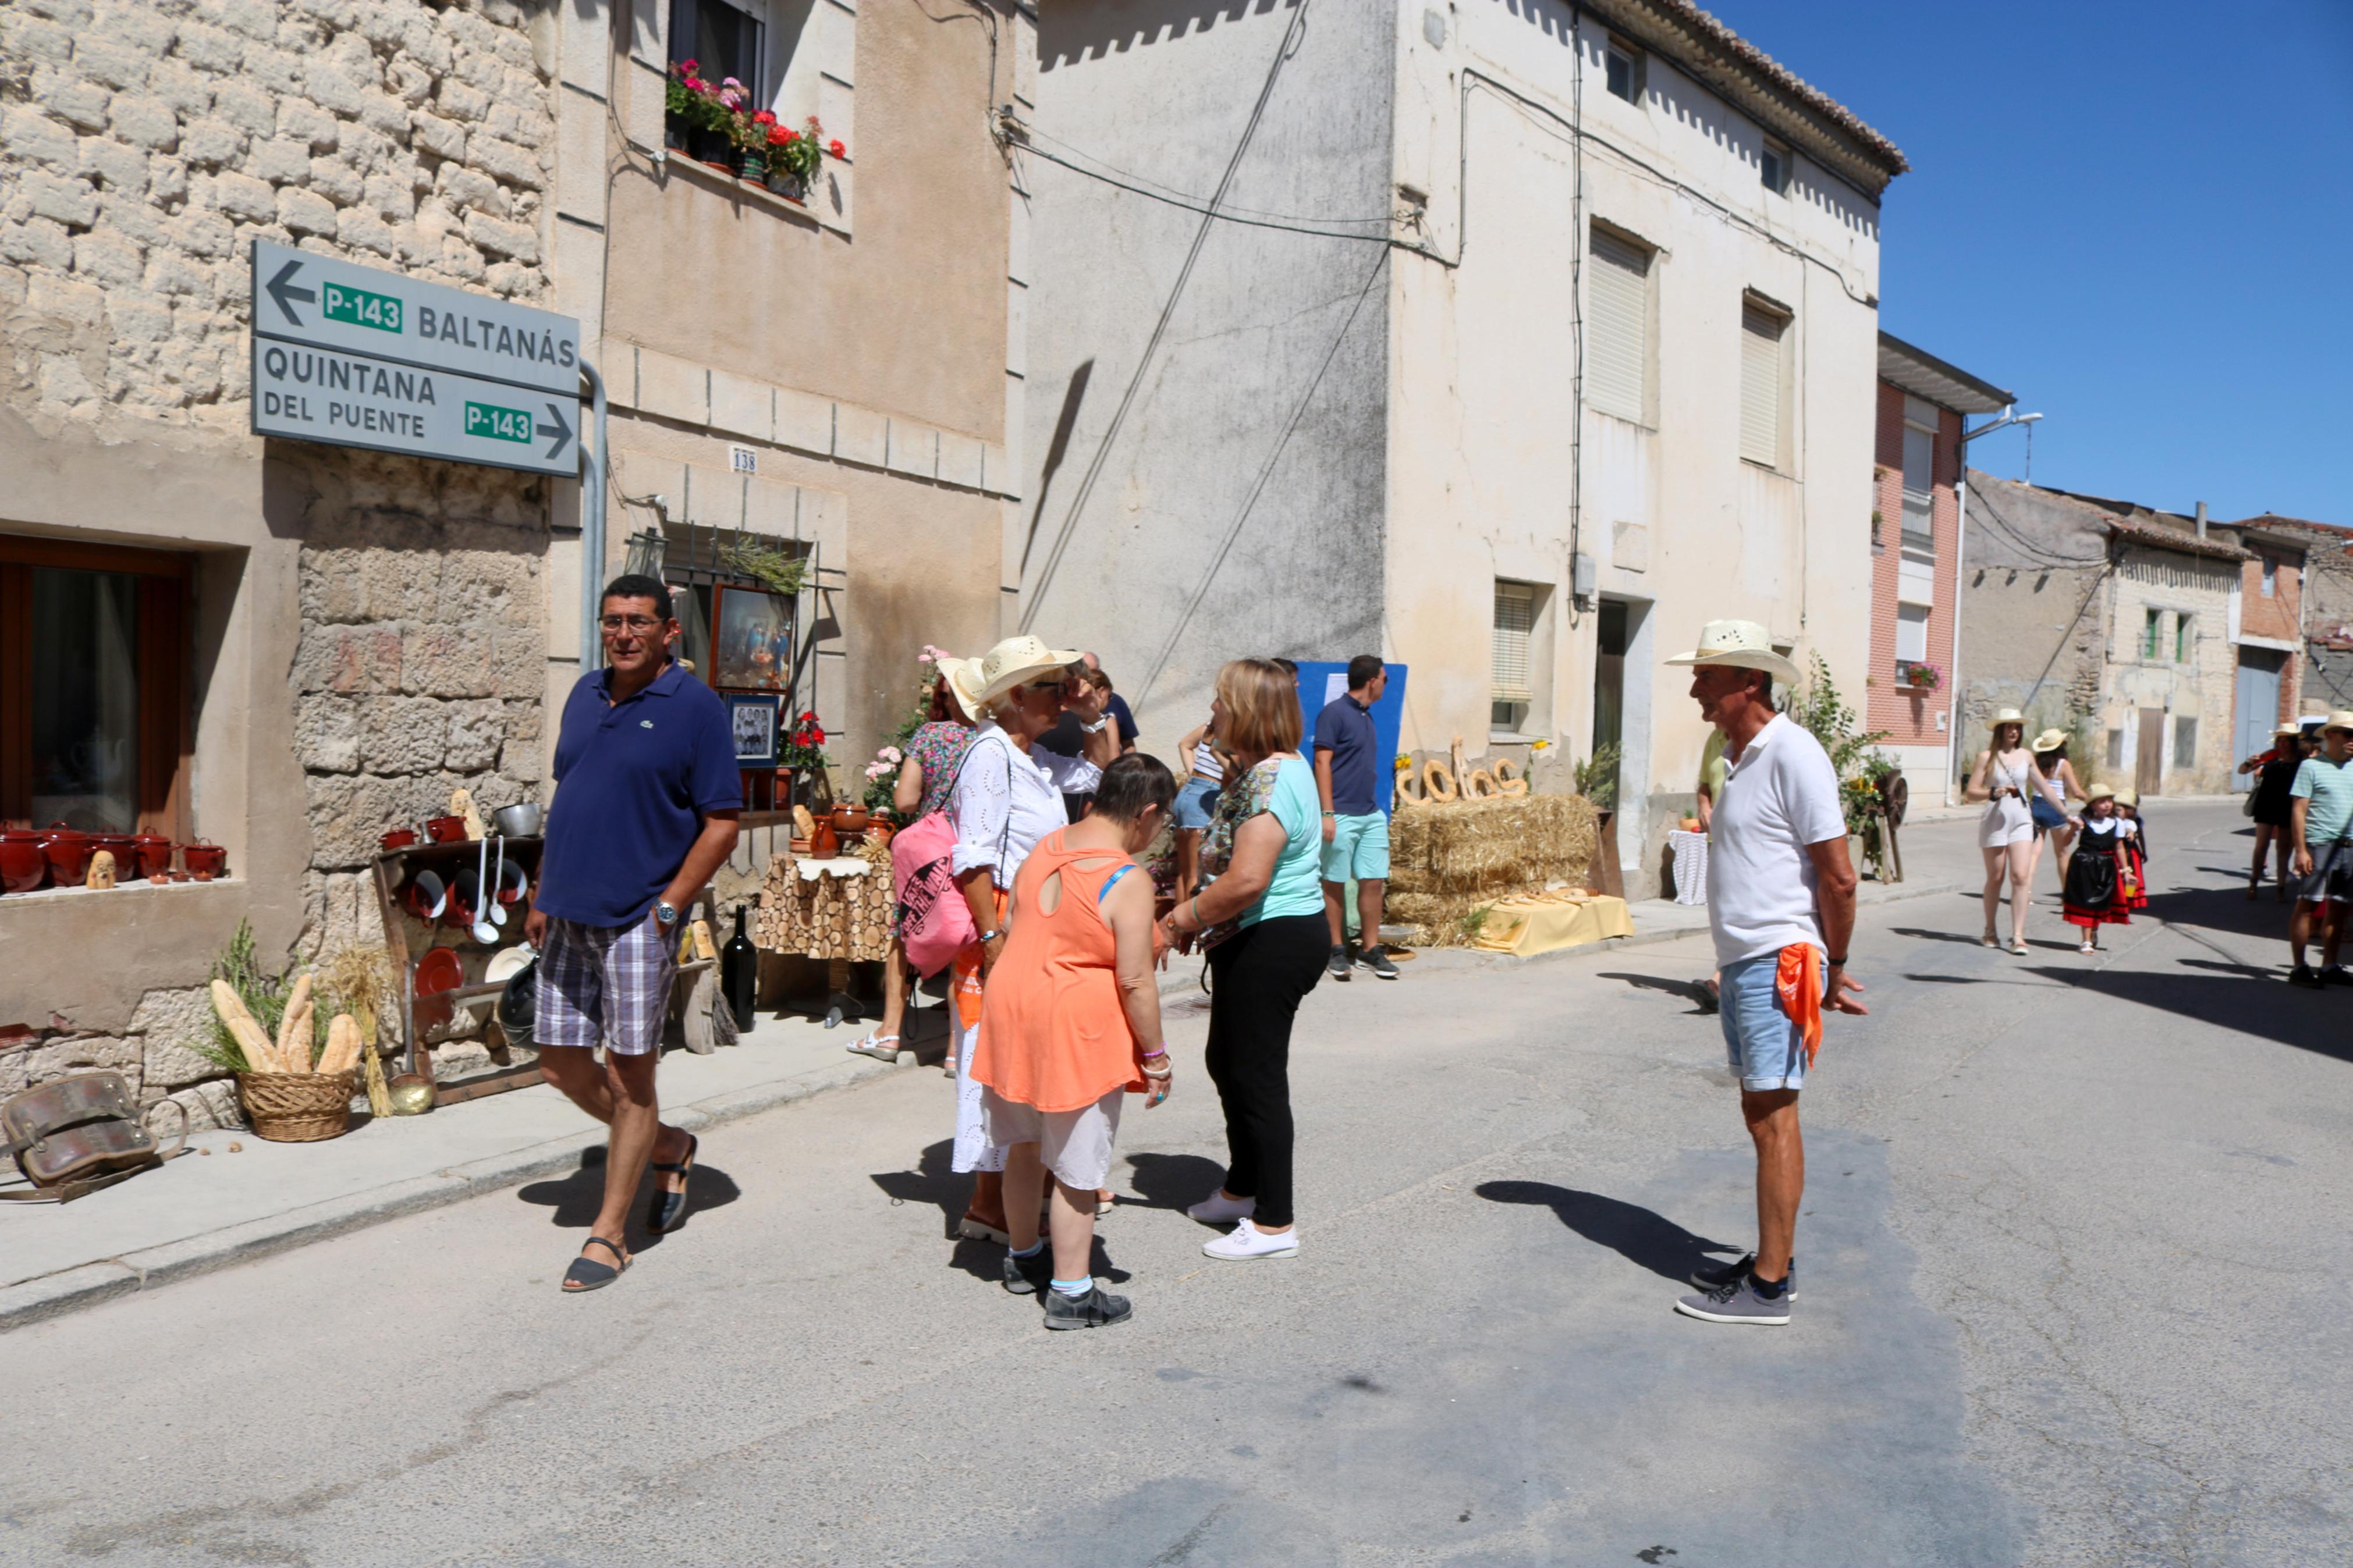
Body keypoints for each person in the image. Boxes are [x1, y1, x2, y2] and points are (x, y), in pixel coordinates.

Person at [528, 574, 743, 1293]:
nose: (624, 634)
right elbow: (570, 793)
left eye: (639, 623)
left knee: (630, 1073)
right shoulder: (585, 692)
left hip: (637, 917)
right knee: (558, 1061)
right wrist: (540, 888)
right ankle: (669, 1144)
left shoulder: (696, 708)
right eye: (613, 621)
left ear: (668, 632)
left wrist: (670, 906)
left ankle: (609, 1233)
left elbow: (721, 821)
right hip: (567, 908)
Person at [1662, 621, 1866, 1327]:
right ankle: (1769, 1259)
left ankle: (1770, 1286)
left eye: (1707, 679)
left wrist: (1831, 968)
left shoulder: (1793, 753)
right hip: (1748, 962)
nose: (1695, 691)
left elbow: (1838, 879)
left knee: (1774, 1116)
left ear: (1748, 681)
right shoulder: (1740, 754)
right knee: (1761, 1113)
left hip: (1778, 960)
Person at [974, 754, 1178, 1329]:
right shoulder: (1127, 878)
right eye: (1161, 823)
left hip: (1012, 1006)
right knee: (1076, 1166)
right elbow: (1135, 979)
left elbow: (1015, 922)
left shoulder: (1046, 845)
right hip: (1073, 1024)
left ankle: (1023, 1257)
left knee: (1022, 1144)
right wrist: (1156, 1057)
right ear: (1146, 813)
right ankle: (1071, 1291)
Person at [946, 637, 1119, 1241]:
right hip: (1005, 929)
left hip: (1035, 931)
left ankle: (1020, 1194)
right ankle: (988, 1202)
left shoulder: (1035, 755)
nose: (1061, 697)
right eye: (1050, 686)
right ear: (1014, 696)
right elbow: (970, 859)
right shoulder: (991, 754)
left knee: (1023, 1062)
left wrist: (1092, 713)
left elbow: (1105, 774)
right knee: (998, 1068)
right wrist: (993, 940)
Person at [1161, 658, 1329, 1262]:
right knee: (1226, 1061)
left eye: (1220, 701)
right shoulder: (1264, 771)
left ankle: (1275, 1222)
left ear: (1249, 710)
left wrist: (1179, 919)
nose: (1213, 712)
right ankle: (1242, 1187)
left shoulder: (1271, 779)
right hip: (1258, 936)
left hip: (1274, 937)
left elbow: (1247, 880)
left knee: (1255, 1076)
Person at [846, 657, 979, 1064]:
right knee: (966, 934)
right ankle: (958, 1047)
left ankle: (889, 1032)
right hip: (974, 849)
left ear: (947, 695)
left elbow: (904, 799)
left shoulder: (930, 736)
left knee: (905, 931)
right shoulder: (994, 739)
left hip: (929, 852)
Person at [1312, 655, 1396, 981]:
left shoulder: (1366, 716)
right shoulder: (1333, 713)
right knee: (1333, 882)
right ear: (1372, 681)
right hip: (1341, 814)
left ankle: (1369, 949)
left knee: (1373, 880)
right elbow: (1321, 763)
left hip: (1370, 813)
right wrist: (1328, 813)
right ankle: (1336, 948)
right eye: (1385, 679)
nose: (1386, 685)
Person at [1965, 709, 2065, 955]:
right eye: (2009, 727)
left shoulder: (2027, 756)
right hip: (1995, 820)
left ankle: (2018, 936)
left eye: (2017, 727)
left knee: (2021, 876)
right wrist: (1992, 792)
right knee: (1996, 877)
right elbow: (1970, 792)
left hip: (2022, 819)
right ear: (2000, 730)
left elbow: (2045, 787)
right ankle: (1990, 930)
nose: (2014, 731)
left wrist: (2066, 814)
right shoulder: (1986, 757)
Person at [2287, 712, 2353, 989]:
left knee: (2339, 908)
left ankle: (2329, 966)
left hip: (2350, 845)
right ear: (2331, 735)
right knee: (2309, 904)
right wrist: (2301, 851)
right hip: (2320, 844)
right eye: (2348, 734)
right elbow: (2299, 810)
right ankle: (2300, 967)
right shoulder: (2311, 767)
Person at [2240, 721, 2306, 901]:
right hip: (2266, 805)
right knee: (2261, 846)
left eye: (2287, 740)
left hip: (2288, 807)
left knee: (2283, 849)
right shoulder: (2269, 756)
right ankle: (2253, 883)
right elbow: (2242, 771)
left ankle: (2280, 888)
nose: (2282, 744)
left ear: (2294, 742)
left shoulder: (2302, 761)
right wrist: (2249, 762)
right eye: (2280, 740)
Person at [2061, 785, 2130, 954]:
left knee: (2101, 901)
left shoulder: (2116, 823)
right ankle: (2085, 941)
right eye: (2102, 802)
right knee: (2086, 902)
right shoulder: (2083, 820)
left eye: (2109, 801)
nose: (2107, 805)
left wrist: (2126, 870)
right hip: (2084, 864)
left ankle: (2093, 929)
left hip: (2106, 866)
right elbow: (2065, 842)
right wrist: (2073, 828)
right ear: (2092, 805)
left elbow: (2119, 847)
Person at [1172, 709, 1227, 902]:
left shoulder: (1209, 728)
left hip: (1188, 793)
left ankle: (1177, 928)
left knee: (1184, 872)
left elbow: (1184, 744)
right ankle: (1186, 929)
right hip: (1206, 799)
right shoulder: (1233, 733)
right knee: (1196, 875)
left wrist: (1193, 775)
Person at [2028, 728, 2086, 891]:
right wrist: (2091, 799)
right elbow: (2076, 791)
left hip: (2036, 805)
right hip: (2056, 808)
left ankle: (2026, 892)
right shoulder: (2063, 764)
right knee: (2062, 854)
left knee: (2033, 854)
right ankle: (2066, 895)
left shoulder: (2035, 762)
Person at [2113, 785, 2151, 913]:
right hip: (2117, 852)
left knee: (2131, 878)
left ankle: (2129, 899)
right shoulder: (2113, 820)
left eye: (2123, 808)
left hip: (2131, 853)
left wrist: (2144, 851)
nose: (2119, 810)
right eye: (2118, 807)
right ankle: (2117, 899)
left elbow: (2139, 835)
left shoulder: (2135, 821)